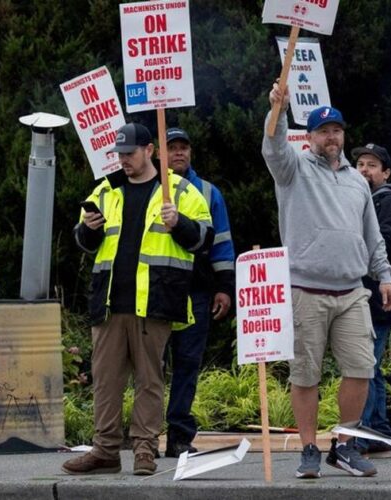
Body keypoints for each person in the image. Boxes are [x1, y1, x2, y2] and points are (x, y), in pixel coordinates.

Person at [61, 123, 213, 476]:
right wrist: (88, 228)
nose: (123, 160)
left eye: (129, 153)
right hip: (111, 302)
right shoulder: (105, 190)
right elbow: (82, 240)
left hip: (156, 299)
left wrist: (181, 223)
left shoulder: (180, 191)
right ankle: (105, 450)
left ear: (149, 150)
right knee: (106, 379)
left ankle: (145, 449)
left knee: (149, 380)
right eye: (120, 154)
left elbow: (205, 239)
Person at [262, 85, 391, 479]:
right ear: (309, 137)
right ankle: (308, 449)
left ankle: (344, 445)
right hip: (305, 290)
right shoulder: (293, 169)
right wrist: (279, 109)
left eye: (337, 130)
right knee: (305, 374)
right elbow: (273, 146)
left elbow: (372, 235)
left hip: (353, 290)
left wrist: (384, 276)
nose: (331, 137)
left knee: (361, 369)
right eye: (323, 131)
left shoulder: (358, 181)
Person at [162, 127, 235, 457]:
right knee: (150, 366)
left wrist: (224, 287)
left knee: (188, 364)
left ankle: (179, 437)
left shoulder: (208, 192)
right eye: (172, 147)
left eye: (184, 148)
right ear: (158, 153)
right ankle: (146, 435)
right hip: (156, 290)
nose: (179, 153)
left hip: (196, 290)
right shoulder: (149, 188)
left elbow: (222, 242)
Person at [352, 143, 391, 458]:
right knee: (370, 366)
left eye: (372, 165)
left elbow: (386, 243)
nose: (364, 170)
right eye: (360, 163)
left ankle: (366, 435)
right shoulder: (359, 202)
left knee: (365, 365)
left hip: (380, 299)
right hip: (364, 297)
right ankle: (376, 433)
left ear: (386, 173)